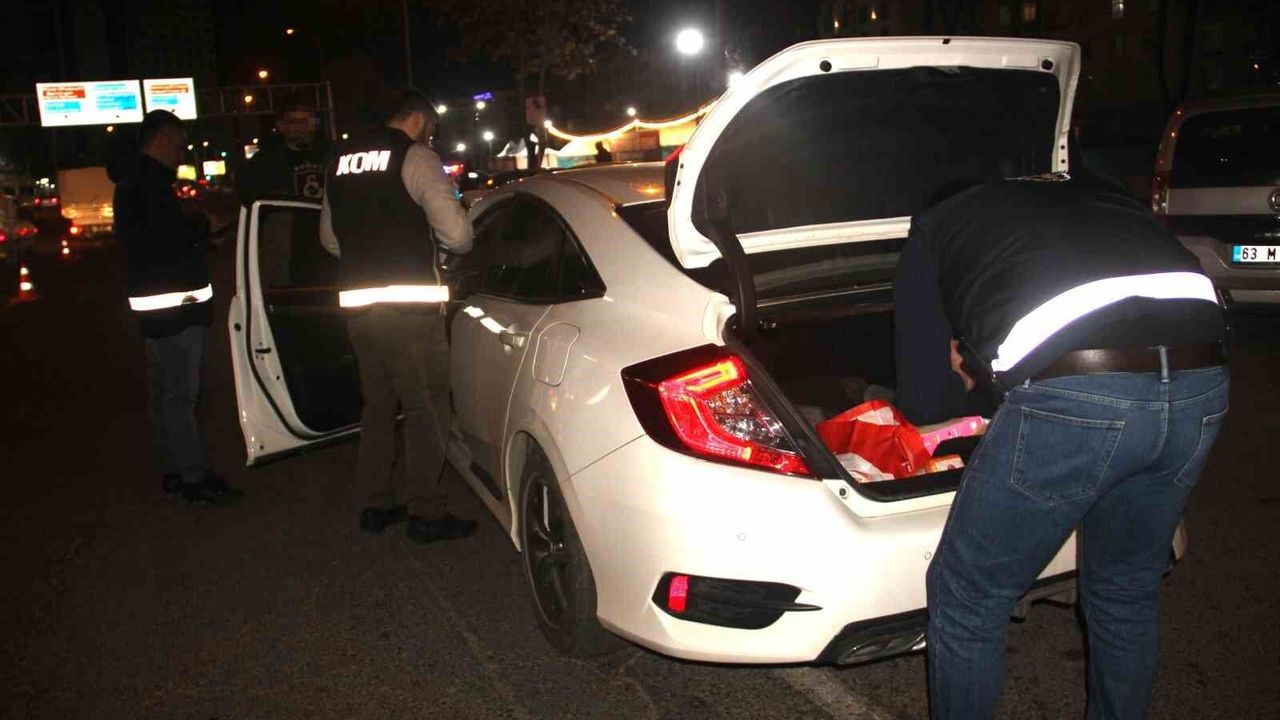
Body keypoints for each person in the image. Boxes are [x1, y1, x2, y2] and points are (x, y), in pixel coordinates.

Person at [894, 171, 1228, 719]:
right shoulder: (1099, 192)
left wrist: (971, 377)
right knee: (1124, 592)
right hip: (1203, 382)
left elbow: (924, 401)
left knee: (970, 598)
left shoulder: (933, 228)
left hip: (1081, 396)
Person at [320, 89, 476, 544]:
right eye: (432, 129)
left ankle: (376, 504)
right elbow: (458, 235)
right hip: (410, 311)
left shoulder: (340, 161)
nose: (432, 136)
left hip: (360, 310)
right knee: (427, 408)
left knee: (378, 406)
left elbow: (329, 239)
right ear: (420, 121)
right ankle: (426, 511)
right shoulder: (416, 157)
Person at [111, 109, 242, 505]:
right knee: (180, 396)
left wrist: (199, 238)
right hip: (176, 309)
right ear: (162, 139)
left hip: (155, 308)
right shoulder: (149, 184)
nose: (182, 153)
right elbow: (167, 237)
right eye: (180, 144)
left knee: (165, 394)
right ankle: (193, 476)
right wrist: (203, 227)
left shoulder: (132, 182)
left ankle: (173, 468)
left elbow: (152, 242)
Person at [241, 106, 327, 203]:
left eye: (310, 121)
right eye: (297, 121)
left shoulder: (329, 155)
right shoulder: (263, 163)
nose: (305, 126)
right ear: (281, 125)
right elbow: (253, 200)